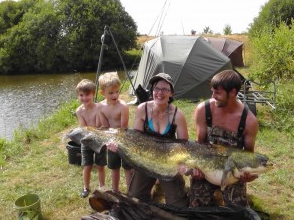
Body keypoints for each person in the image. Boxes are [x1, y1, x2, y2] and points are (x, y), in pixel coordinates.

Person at [108, 73, 189, 208]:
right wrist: (119, 148)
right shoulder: (143, 109)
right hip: (146, 160)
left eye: (165, 89)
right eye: (156, 88)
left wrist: (182, 164)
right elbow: (136, 140)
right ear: (152, 91)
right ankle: (152, 183)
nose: (160, 93)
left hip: (168, 163)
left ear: (171, 93)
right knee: (135, 201)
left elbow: (184, 145)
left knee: (178, 206)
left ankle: (164, 184)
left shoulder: (177, 115)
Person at [188, 69, 259, 207]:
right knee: (196, 208)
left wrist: (248, 176)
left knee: (238, 212)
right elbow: (199, 144)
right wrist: (197, 167)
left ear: (232, 92)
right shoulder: (203, 109)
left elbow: (248, 156)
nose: (213, 96)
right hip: (206, 167)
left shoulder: (249, 121)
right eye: (212, 91)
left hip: (232, 172)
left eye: (218, 92)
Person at [98, 72, 132, 193]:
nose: (115, 95)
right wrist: (110, 142)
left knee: (128, 168)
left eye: (117, 91)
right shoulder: (100, 107)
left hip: (124, 140)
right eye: (111, 93)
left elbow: (123, 128)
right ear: (102, 93)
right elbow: (105, 127)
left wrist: (117, 142)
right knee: (114, 167)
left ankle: (130, 191)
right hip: (111, 141)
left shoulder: (123, 106)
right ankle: (115, 191)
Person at [75, 79, 108, 198]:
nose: (84, 98)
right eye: (81, 95)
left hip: (99, 140)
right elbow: (83, 128)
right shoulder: (79, 111)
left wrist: (95, 127)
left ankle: (102, 186)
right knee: (87, 165)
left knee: (100, 165)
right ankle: (86, 187)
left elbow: (102, 126)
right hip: (86, 141)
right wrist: (91, 129)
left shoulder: (99, 107)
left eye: (87, 94)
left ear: (93, 94)